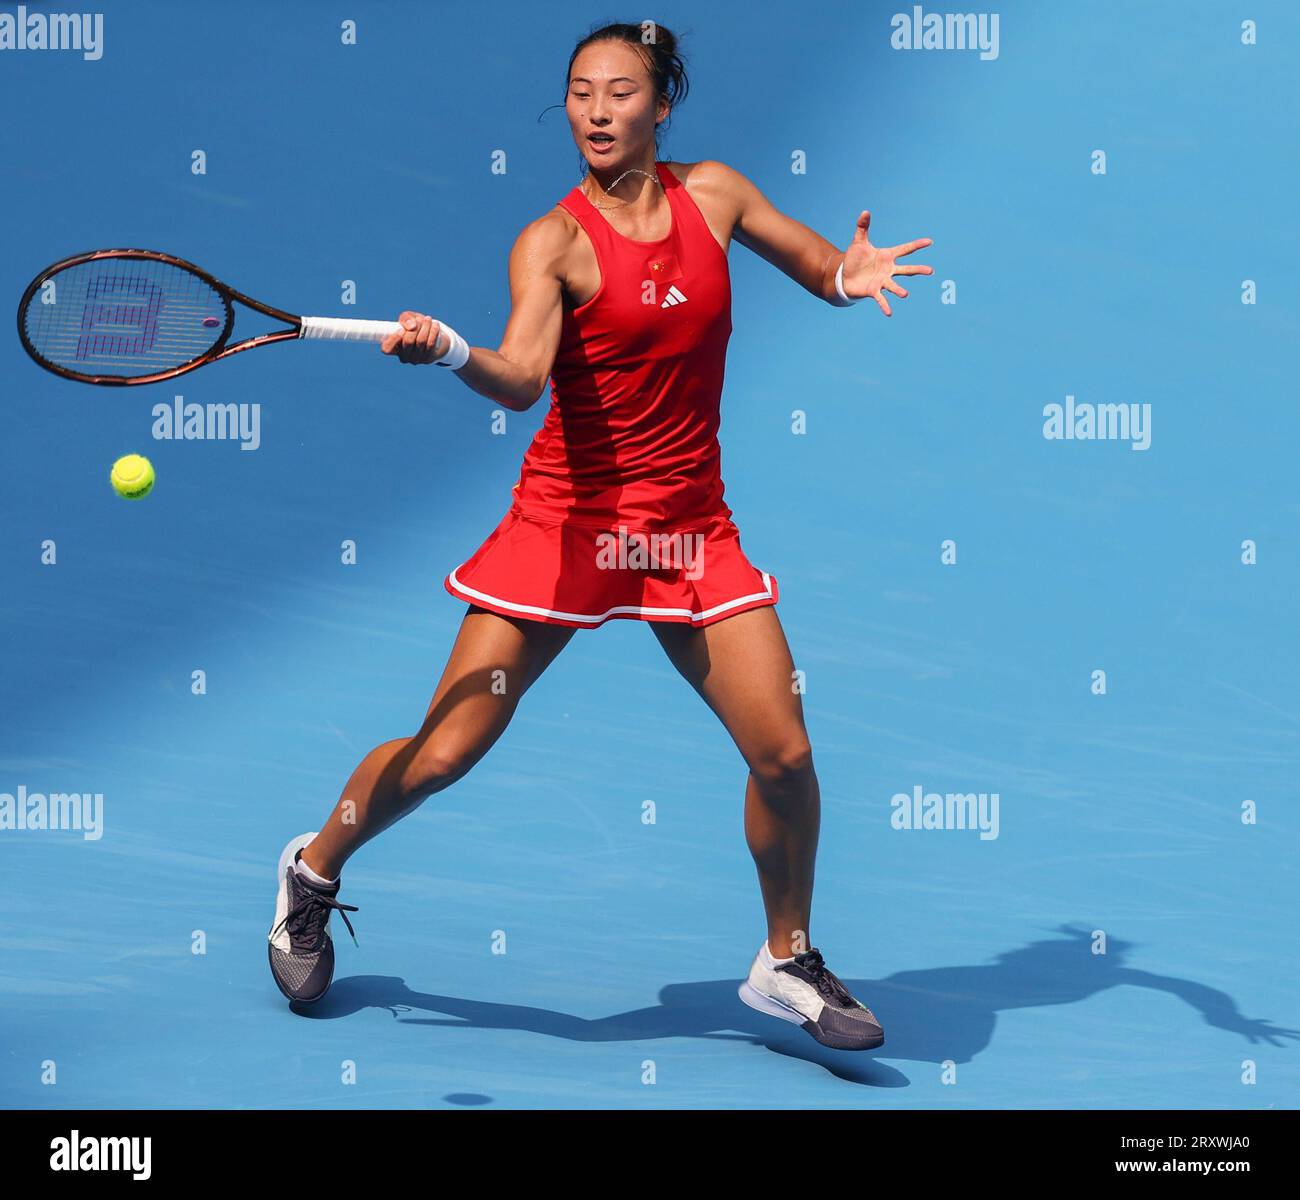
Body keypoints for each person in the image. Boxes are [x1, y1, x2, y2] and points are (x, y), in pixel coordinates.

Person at [268, 21, 932, 1052]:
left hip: (685, 533)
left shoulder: (716, 193)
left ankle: (784, 958)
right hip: (569, 531)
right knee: (447, 751)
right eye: (580, 93)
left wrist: (850, 273)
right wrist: (450, 352)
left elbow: (812, 265)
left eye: (620, 93)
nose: (596, 111)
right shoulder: (554, 240)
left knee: (785, 754)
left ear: (660, 106)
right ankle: (313, 869)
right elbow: (523, 377)